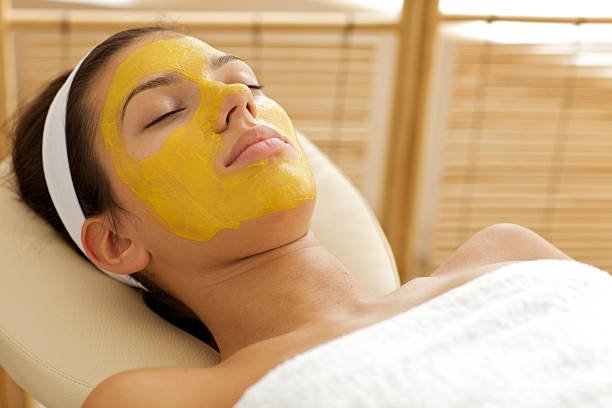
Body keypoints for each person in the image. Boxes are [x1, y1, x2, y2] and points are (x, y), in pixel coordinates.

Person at [8, 26, 612, 407]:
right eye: (165, 112)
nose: (237, 99)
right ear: (114, 242)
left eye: (245, 81)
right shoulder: (162, 399)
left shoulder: (508, 255)